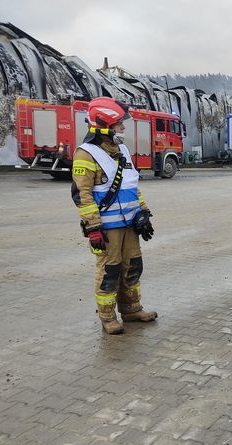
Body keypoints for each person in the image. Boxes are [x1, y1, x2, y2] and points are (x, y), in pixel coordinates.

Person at [71, 97, 157, 334]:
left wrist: (143, 212)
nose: (123, 128)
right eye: (119, 124)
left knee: (133, 266)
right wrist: (93, 227)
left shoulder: (123, 151)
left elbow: (132, 185)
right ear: (104, 125)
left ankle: (131, 309)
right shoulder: (86, 154)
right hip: (107, 229)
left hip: (130, 225)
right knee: (110, 271)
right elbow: (83, 194)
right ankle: (107, 317)